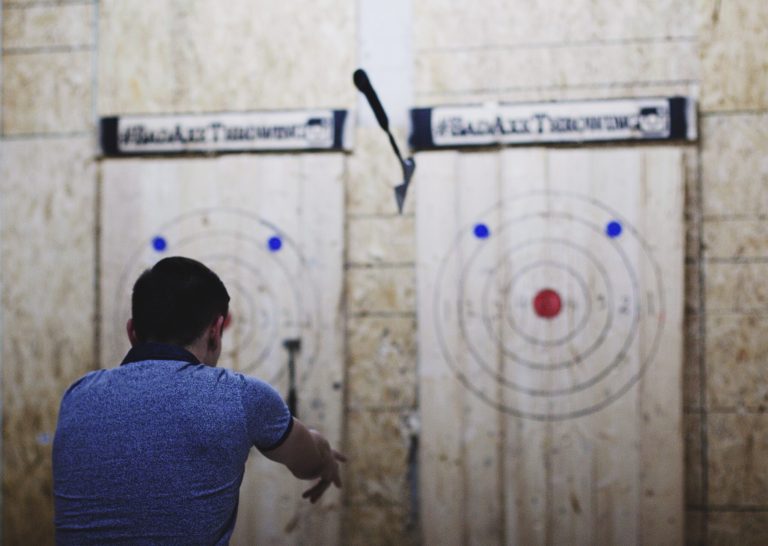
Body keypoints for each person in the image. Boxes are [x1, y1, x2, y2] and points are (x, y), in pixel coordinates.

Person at [52, 256, 346, 545]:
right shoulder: (240, 396)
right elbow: (307, 462)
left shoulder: (77, 396)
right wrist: (322, 451)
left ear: (132, 332)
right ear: (216, 332)